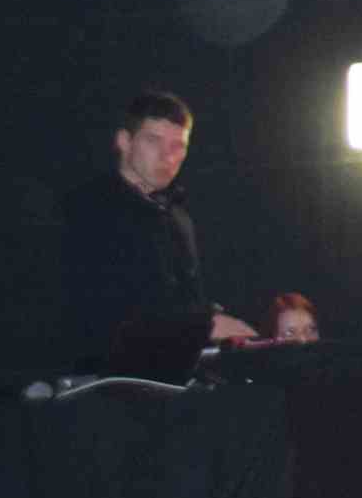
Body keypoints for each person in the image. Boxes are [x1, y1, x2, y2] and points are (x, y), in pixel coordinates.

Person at [59, 90, 256, 373]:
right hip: (104, 379)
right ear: (124, 141)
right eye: (154, 140)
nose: (168, 156)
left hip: (165, 378)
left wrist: (208, 322)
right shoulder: (87, 208)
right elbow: (105, 313)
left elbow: (184, 302)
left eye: (179, 146)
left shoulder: (178, 218)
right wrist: (205, 325)